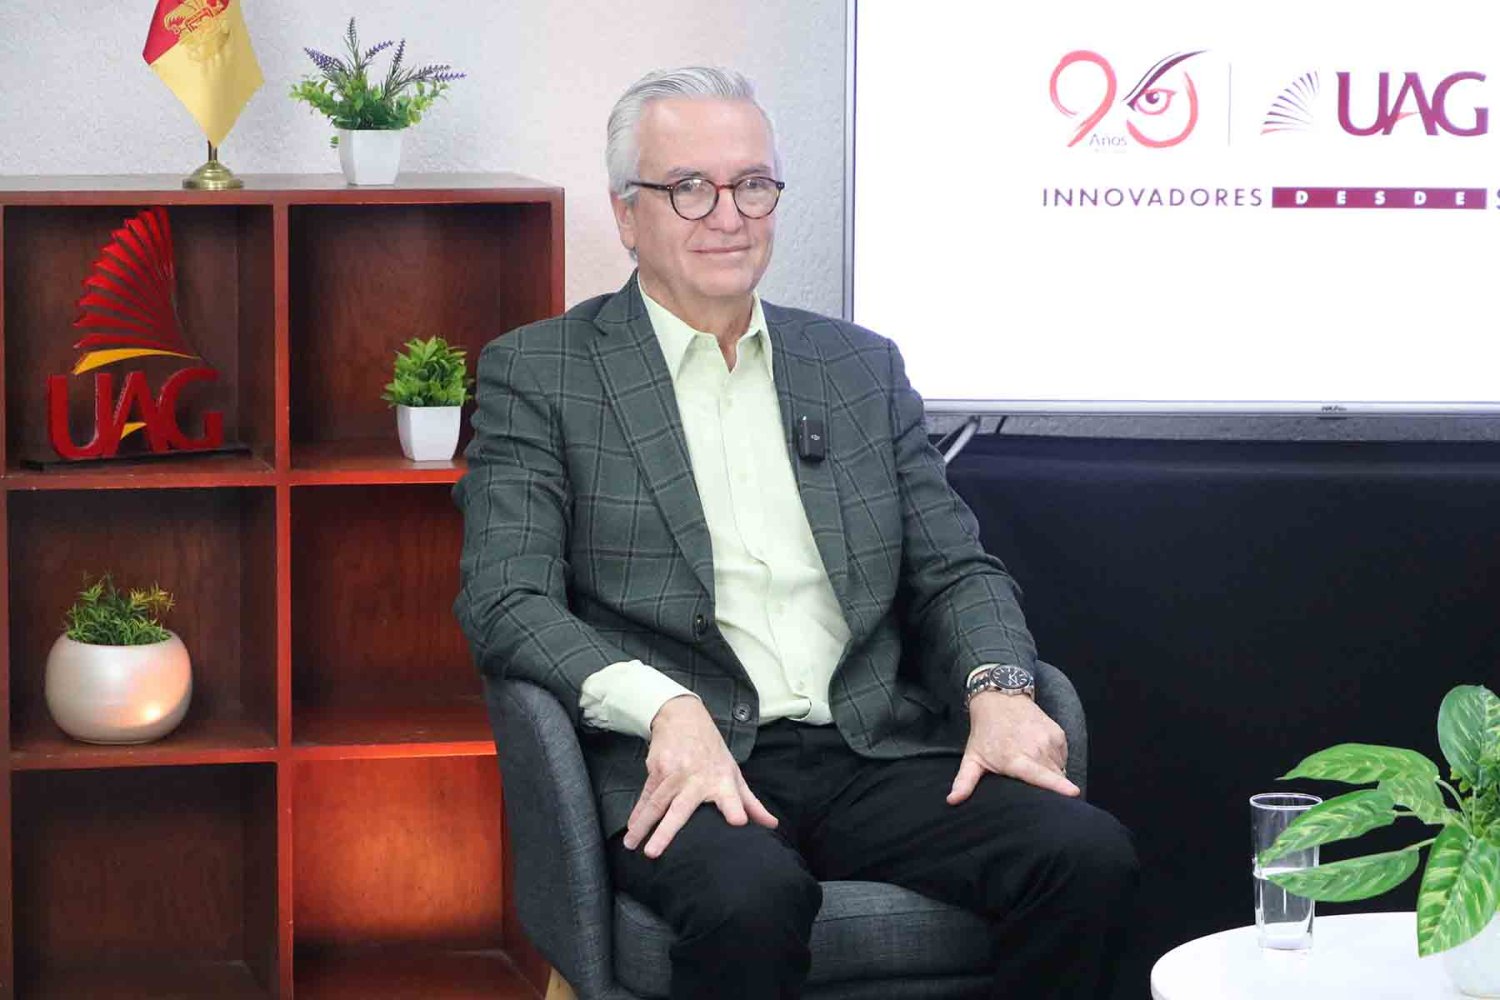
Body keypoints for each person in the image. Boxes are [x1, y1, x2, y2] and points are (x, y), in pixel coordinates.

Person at [453, 66, 1138, 1000]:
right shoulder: (544, 372)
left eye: (752, 185)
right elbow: (505, 598)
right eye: (689, 187)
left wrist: (1000, 687)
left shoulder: (856, 367)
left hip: (872, 750)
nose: (728, 216)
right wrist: (663, 707)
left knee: (1086, 856)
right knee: (750, 901)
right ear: (626, 214)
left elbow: (955, 570)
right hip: (683, 761)